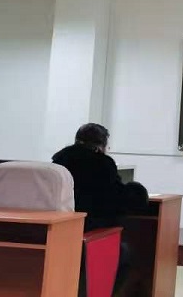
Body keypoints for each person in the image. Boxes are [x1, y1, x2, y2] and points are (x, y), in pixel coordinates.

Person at [52, 123, 148, 295]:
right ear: (101, 145)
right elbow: (116, 200)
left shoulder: (58, 161)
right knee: (125, 253)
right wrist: (136, 190)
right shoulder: (102, 164)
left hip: (61, 234)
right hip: (92, 233)